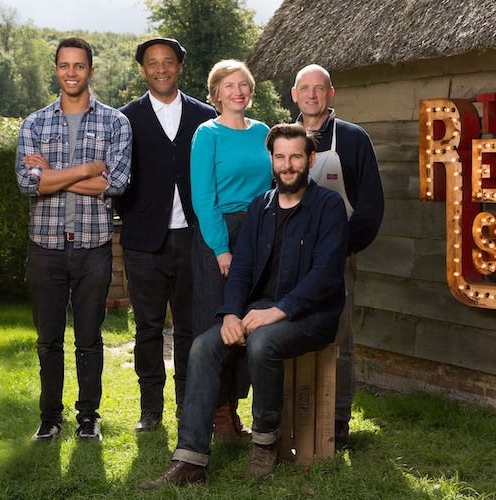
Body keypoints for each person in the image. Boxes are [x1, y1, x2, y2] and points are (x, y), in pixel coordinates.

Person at [140, 123, 348, 488]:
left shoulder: (328, 206)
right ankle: (190, 461)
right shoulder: (261, 207)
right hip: (258, 311)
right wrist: (231, 313)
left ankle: (265, 441)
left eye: (295, 157)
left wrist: (277, 311)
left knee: (262, 342)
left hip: (310, 316)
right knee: (204, 346)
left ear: (310, 159)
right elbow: (241, 270)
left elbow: (326, 275)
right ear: (271, 161)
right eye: (280, 157)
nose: (287, 165)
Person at [15, 37, 132, 442]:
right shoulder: (34, 123)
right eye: (64, 65)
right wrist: (87, 170)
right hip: (44, 246)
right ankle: (50, 418)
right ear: (55, 70)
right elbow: (28, 185)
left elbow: (115, 183)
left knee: (88, 338)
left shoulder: (115, 123)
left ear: (90, 71)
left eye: (78, 66)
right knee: (48, 339)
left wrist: (54, 175)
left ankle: (88, 417)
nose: (71, 72)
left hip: (93, 245)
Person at [115, 38, 217, 432]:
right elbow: (118, 178)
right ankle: (150, 409)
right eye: (153, 63)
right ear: (143, 69)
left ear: (179, 66)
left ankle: (188, 407)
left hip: (195, 238)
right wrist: (137, 217)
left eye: (168, 62)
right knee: (148, 328)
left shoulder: (205, 116)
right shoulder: (126, 118)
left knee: (191, 328)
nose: (161, 69)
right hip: (144, 241)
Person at [291, 63, 384, 447]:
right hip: (292, 260)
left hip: (336, 258)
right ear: (294, 95)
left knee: (339, 337)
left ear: (331, 94)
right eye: (304, 88)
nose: (312, 95)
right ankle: (296, 415)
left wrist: (341, 248)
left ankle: (337, 418)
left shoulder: (351, 138)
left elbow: (370, 206)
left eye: (320, 88)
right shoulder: (283, 137)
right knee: (291, 335)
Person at [190, 59, 273, 440]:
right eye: (229, 85)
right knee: (218, 324)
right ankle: (220, 415)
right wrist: (221, 248)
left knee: (252, 321)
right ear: (216, 93)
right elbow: (204, 197)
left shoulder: (264, 133)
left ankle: (240, 406)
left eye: (244, 85)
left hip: (261, 230)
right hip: (218, 233)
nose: (238, 91)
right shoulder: (207, 134)